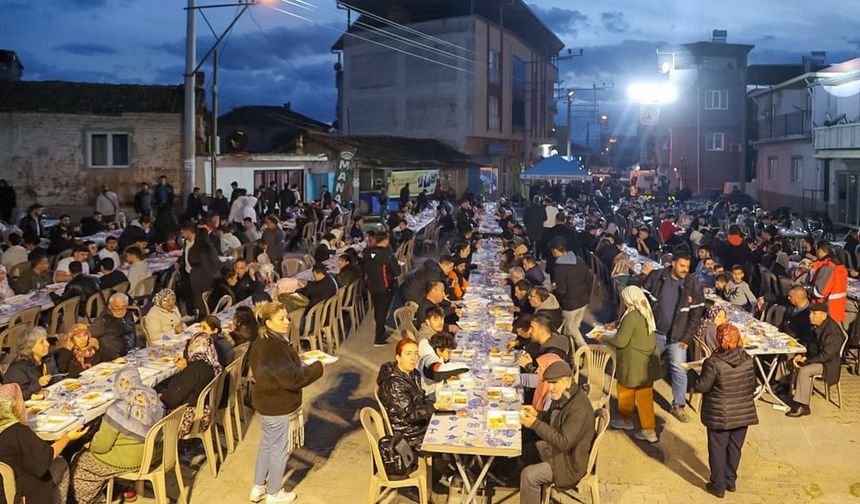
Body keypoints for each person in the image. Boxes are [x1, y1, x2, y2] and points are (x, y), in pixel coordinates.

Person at [249, 302, 324, 504]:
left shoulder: (262, 340)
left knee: (267, 445)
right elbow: (292, 379)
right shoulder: (274, 346)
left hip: (266, 402)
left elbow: (276, 369)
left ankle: (258, 487)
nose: (287, 322)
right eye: (281, 319)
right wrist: (318, 366)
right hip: (277, 403)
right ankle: (274, 493)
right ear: (268, 322)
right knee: (279, 450)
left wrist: (296, 360)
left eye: (287, 317)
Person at [70, 367, 164, 504]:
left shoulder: (118, 409)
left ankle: (89, 500)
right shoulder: (152, 398)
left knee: (80, 461)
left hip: (132, 459)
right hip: (154, 453)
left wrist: (90, 444)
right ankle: (122, 488)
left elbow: (102, 446)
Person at [633, 248, 705, 423]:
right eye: (681, 265)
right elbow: (641, 299)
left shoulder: (693, 286)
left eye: (687, 266)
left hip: (678, 338)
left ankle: (678, 406)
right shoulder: (657, 277)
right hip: (654, 332)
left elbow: (695, 317)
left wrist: (687, 338)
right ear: (673, 263)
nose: (685, 269)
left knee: (679, 370)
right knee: (647, 368)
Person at [688, 323, 758, 498]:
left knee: (718, 449)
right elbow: (753, 385)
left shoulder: (713, 362)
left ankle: (718, 485)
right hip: (743, 413)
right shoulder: (748, 359)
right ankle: (730, 481)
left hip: (719, 414)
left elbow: (702, 386)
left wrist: (693, 376)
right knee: (735, 448)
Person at [518, 361, 595, 504]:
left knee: (528, 476)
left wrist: (535, 424)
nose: (550, 388)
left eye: (554, 383)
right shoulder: (565, 395)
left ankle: (531, 490)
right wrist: (537, 414)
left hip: (569, 463)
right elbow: (554, 419)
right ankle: (534, 495)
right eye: (548, 383)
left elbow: (563, 442)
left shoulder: (579, 409)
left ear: (568, 381)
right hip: (559, 452)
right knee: (522, 450)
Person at [0, 383, 88, 504]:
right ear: (14, 406)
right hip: (22, 493)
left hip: (4, 490)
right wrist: (67, 437)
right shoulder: (17, 431)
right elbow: (47, 457)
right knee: (61, 463)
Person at [594, 286, 661, 442]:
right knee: (645, 395)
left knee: (625, 390)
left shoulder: (630, 316)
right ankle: (649, 429)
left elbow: (621, 341)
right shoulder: (645, 311)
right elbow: (634, 324)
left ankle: (626, 420)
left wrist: (602, 336)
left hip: (632, 362)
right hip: (646, 362)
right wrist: (617, 324)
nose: (623, 302)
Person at [376, 339, 452, 452]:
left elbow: (421, 399)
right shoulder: (394, 384)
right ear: (398, 357)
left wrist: (438, 404)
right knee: (450, 435)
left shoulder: (413, 373)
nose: (413, 358)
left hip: (419, 423)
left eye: (416, 354)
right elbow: (409, 415)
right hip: (408, 434)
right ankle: (448, 460)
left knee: (452, 419)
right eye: (408, 354)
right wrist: (435, 406)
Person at [786, 302, 846, 418]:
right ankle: (781, 384)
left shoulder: (832, 331)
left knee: (805, 371)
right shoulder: (814, 326)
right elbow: (807, 343)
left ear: (824, 315)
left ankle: (803, 405)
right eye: (810, 313)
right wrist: (801, 354)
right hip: (815, 358)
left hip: (828, 364)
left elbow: (826, 355)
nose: (810, 316)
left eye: (814, 313)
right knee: (789, 357)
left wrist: (807, 361)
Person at [161, 331, 221, 436]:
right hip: (205, 413)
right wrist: (186, 368)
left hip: (189, 420)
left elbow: (170, 400)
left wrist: (160, 396)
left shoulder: (195, 369)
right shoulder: (211, 365)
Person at [550, 238, 592, 349]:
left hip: (570, 305)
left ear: (555, 251)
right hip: (583, 300)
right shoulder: (579, 260)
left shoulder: (560, 267)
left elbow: (561, 290)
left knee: (571, 329)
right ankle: (573, 351)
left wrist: (554, 289)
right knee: (575, 327)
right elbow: (588, 280)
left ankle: (585, 350)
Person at [363, 232, 401, 347]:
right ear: (386, 240)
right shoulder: (387, 255)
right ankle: (378, 338)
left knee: (377, 309)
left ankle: (380, 329)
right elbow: (397, 271)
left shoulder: (367, 252)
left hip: (371, 286)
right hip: (385, 287)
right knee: (382, 312)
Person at [6, 326, 61, 399]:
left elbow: (58, 381)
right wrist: (38, 384)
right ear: (30, 347)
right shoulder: (17, 369)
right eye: (42, 342)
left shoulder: (48, 360)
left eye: (46, 340)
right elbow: (18, 396)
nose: (47, 344)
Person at [810, 241, 848, 324]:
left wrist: (807, 289)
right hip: (838, 307)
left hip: (825, 309)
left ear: (820, 250)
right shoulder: (839, 266)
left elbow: (819, 292)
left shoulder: (827, 268)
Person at [187, 227, 222, 318]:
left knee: (198, 299)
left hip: (195, 277)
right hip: (208, 277)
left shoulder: (192, 249)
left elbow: (190, 262)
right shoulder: (209, 249)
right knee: (208, 300)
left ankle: (201, 316)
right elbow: (216, 263)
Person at [90, 293, 136, 360]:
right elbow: (89, 334)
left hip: (130, 354)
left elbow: (132, 333)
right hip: (112, 358)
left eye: (124, 307)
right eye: (116, 307)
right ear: (110, 306)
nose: (120, 310)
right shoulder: (103, 320)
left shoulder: (128, 315)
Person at [779, 286, 816, 354]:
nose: (788, 298)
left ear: (798, 298)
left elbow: (806, 336)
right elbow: (778, 299)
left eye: (790, 296)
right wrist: (764, 297)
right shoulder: (791, 304)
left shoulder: (810, 314)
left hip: (794, 344)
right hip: (782, 336)